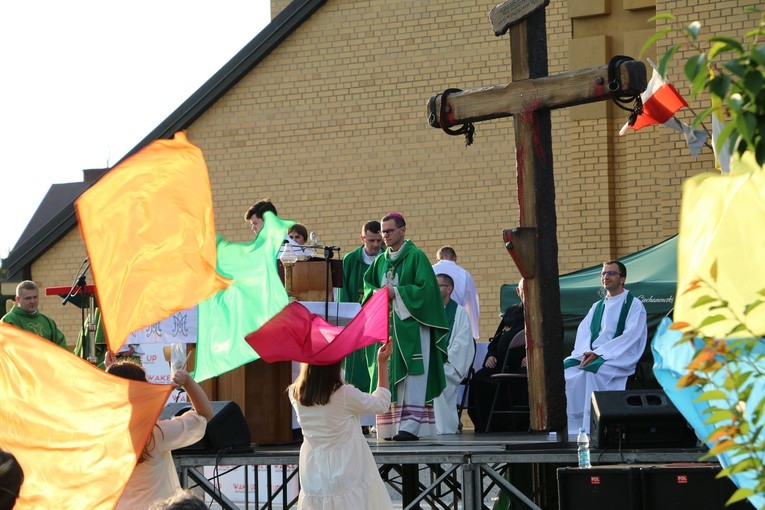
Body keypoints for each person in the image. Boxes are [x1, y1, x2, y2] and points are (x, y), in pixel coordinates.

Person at [363, 212, 449, 441]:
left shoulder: (416, 257)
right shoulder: (381, 261)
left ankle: (411, 427)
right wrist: (378, 294)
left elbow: (427, 291)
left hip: (412, 326)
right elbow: (368, 286)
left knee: (413, 376)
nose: (386, 236)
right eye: (383, 232)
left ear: (403, 230)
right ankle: (390, 427)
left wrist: (397, 292)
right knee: (387, 374)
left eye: (390, 231)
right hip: (387, 328)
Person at [288, 342, 394, 509]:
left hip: (314, 467)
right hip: (347, 466)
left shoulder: (294, 392)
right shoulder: (344, 394)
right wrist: (381, 362)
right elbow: (381, 404)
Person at [106, 360, 213, 510]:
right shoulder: (157, 434)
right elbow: (205, 414)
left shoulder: (100, 434)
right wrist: (187, 382)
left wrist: (110, 373)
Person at [564, 260, 647, 436]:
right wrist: (587, 351)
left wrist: (599, 353)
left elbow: (631, 336)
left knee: (590, 371)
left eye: (610, 273)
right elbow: (584, 331)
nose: (605, 277)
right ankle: (570, 428)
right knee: (564, 369)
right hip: (592, 353)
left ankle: (592, 426)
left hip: (619, 355)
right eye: (603, 273)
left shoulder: (634, 305)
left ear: (622, 279)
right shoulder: (597, 306)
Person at [468, 279, 527, 433]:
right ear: (518, 292)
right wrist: (491, 355)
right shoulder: (511, 311)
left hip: (524, 367)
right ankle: (486, 426)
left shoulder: (542, 311)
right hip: (500, 364)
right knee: (480, 378)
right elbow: (497, 339)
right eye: (522, 289)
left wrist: (533, 358)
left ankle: (517, 426)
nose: (526, 292)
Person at [339, 220, 383, 393]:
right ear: (362, 238)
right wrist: (350, 319)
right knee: (354, 372)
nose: (376, 245)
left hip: (379, 322)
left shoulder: (386, 257)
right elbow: (343, 291)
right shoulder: (351, 259)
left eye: (379, 241)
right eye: (371, 240)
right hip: (355, 323)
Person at [432, 274, 475, 434]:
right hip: (430, 364)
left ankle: (444, 429)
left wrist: (442, 359)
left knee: (434, 381)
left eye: (438, 286)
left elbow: (461, 343)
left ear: (449, 289)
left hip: (450, 365)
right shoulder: (429, 311)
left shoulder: (459, 313)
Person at [432, 246, 481, 340]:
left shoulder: (429, 270)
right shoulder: (464, 274)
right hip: (456, 320)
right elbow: (472, 305)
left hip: (433, 321)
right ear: (455, 258)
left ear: (437, 259)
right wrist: (472, 333)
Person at [1, 280, 67, 349]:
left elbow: (61, 347)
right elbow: (8, 350)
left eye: (35, 297)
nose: (32, 301)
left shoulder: (48, 322)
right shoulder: (8, 321)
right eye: (28, 298)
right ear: (18, 299)